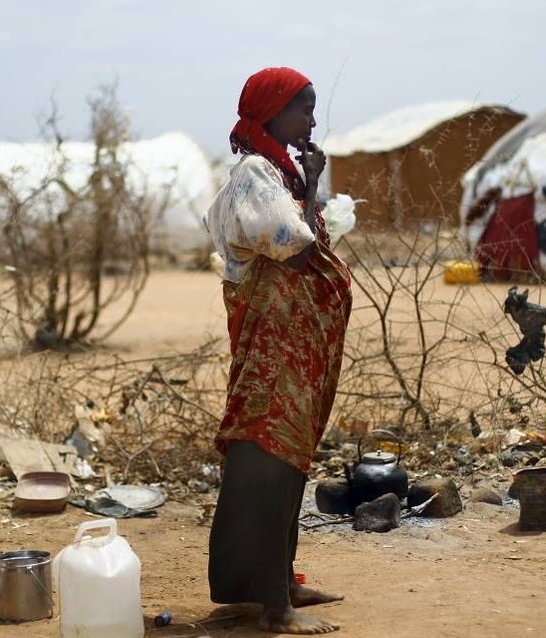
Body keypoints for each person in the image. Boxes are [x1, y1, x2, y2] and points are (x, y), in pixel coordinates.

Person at [204, 67, 352, 635]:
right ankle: (273, 607)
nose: (312, 120)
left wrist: (308, 181)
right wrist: (312, 184)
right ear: (272, 112)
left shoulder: (278, 173)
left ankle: (280, 581)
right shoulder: (255, 175)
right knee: (268, 456)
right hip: (273, 349)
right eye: (303, 108)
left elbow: (302, 233)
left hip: (291, 347)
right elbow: (293, 249)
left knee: (288, 458)